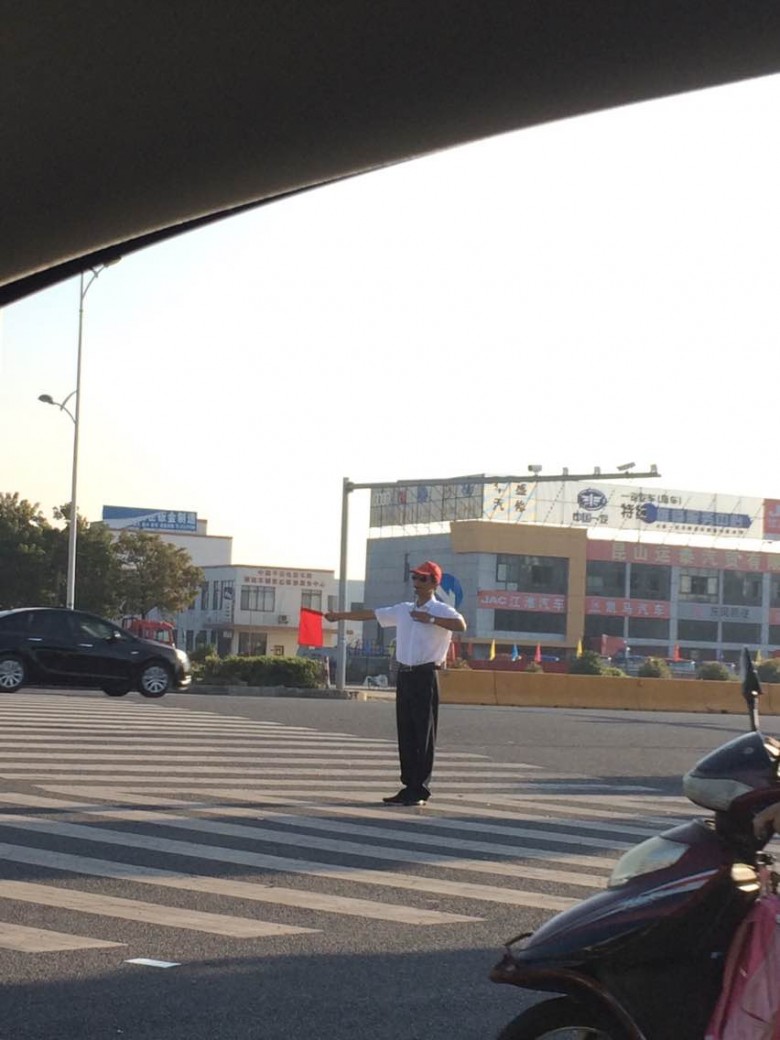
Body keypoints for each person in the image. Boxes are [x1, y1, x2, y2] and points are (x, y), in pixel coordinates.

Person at [325, 560, 467, 806]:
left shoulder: (441, 610)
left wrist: (430, 619)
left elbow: (461, 625)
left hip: (425, 675)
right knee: (406, 731)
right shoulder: (403, 610)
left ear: (434, 583)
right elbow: (372, 614)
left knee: (423, 733)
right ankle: (408, 785)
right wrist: (339, 616)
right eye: (415, 577)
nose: (417, 582)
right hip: (405, 675)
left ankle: (420, 788)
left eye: (423, 578)